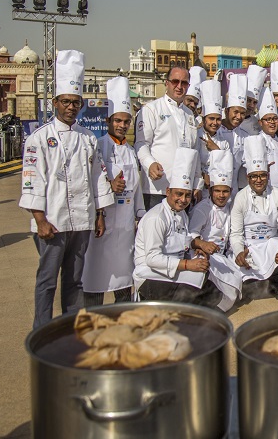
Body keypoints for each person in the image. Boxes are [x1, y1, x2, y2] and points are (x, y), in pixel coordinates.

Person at [19, 50, 114, 328]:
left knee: (74, 281)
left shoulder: (88, 138)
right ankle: (42, 331)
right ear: (55, 102)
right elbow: (32, 179)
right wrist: (40, 220)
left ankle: (71, 330)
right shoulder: (39, 139)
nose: (71, 107)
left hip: (82, 221)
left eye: (75, 102)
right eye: (65, 102)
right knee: (47, 280)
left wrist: (99, 214)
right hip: (52, 221)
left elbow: (97, 177)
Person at [81, 77, 145, 306]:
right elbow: (87, 182)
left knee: (124, 277)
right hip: (103, 222)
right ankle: (92, 318)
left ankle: (122, 318)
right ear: (108, 120)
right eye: (118, 120)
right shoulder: (96, 145)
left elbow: (136, 186)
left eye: (126, 121)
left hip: (126, 225)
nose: (122, 125)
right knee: (96, 276)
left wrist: (140, 215)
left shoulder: (130, 151)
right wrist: (109, 187)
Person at [133, 147, 222, 306]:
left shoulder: (181, 214)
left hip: (174, 270)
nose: (183, 199)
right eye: (178, 194)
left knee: (213, 291)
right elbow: (152, 259)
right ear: (168, 191)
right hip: (150, 276)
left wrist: (197, 247)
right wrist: (188, 265)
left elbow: (181, 240)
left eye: (187, 195)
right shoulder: (156, 218)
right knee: (189, 294)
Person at [229, 135, 278, 301]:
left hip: (269, 244)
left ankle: (277, 286)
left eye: (262, 175)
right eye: (254, 176)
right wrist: (238, 252)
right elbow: (236, 233)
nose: (258, 180)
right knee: (248, 287)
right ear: (248, 177)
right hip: (249, 247)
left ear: (268, 174)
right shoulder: (241, 197)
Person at [135, 65, 199, 210]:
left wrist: (197, 183)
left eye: (184, 83)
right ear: (167, 83)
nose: (179, 86)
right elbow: (141, 144)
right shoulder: (151, 109)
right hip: (158, 189)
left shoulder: (190, 115)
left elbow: (194, 150)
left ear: (188, 86)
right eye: (175, 81)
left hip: (183, 190)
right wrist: (150, 163)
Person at [188, 149, 243, 311]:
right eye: (217, 191)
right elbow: (191, 234)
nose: (221, 195)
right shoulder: (202, 209)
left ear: (230, 192)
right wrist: (202, 245)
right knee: (228, 288)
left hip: (224, 255)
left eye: (225, 191)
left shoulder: (231, 207)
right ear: (210, 191)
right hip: (204, 255)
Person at [217, 73, 250, 192]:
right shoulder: (216, 131)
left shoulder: (245, 136)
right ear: (226, 111)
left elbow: (248, 161)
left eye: (242, 113)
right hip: (213, 188)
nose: (239, 116)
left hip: (233, 189)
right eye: (235, 112)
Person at [256, 88, 278, 197]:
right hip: (268, 192)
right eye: (268, 119)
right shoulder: (258, 140)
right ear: (260, 122)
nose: (272, 122)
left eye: (275, 119)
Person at [196, 79, 230, 189]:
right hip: (198, 185)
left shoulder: (224, 141)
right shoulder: (196, 135)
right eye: (211, 119)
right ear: (204, 118)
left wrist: (216, 149)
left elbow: (227, 165)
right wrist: (203, 176)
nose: (215, 123)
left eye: (218, 119)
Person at [239, 64, 266, 136]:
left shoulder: (256, 122)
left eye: (255, 102)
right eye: (249, 100)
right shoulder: (224, 117)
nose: (251, 105)